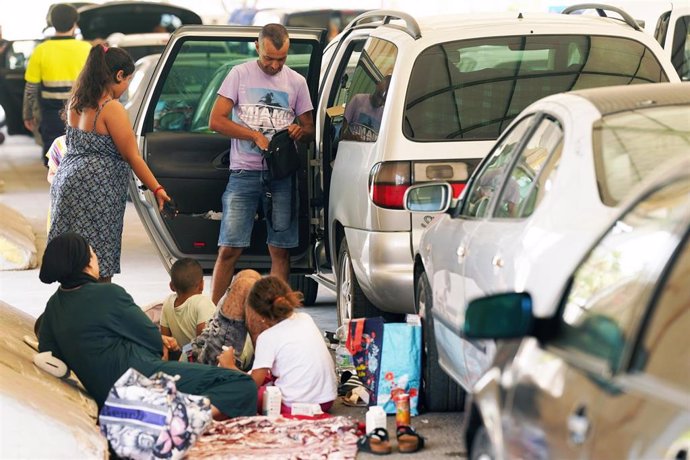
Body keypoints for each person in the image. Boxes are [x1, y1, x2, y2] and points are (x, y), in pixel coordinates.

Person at [37, 232, 257, 420]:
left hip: (109, 393)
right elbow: (152, 340)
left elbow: (52, 353)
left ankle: (180, 412)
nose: (97, 259)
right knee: (241, 384)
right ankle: (184, 417)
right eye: (93, 254)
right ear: (85, 263)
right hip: (144, 376)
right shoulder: (108, 294)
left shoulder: (52, 308)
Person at [208, 23, 315, 304]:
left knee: (280, 250)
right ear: (257, 47)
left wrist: (298, 130)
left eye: (281, 59)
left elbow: (310, 128)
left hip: (281, 176)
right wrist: (253, 135)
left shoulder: (296, 82)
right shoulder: (239, 74)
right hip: (244, 173)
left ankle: (276, 314)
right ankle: (213, 315)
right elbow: (216, 120)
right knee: (229, 247)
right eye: (269, 58)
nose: (274, 65)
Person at [48, 45, 171, 282]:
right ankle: (96, 311)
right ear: (118, 76)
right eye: (128, 80)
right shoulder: (111, 108)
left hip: (68, 182)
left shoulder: (77, 100)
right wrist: (157, 188)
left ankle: (71, 310)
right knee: (99, 261)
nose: (126, 87)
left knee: (72, 257)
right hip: (98, 190)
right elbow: (132, 156)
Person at [219, 276, 337, 415]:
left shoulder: (267, 338)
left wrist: (230, 366)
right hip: (326, 401)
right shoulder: (306, 318)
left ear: (258, 315)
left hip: (294, 407)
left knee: (246, 394)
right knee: (268, 379)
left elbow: (252, 384)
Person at [23, 4, 91, 166]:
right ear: (75, 23)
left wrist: (27, 114)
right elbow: (96, 84)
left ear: (52, 23)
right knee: (79, 157)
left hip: (51, 113)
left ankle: (56, 187)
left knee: (54, 158)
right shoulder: (87, 49)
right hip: (81, 113)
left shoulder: (41, 50)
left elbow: (31, 88)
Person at [191, 269, 262, 368]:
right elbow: (254, 381)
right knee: (245, 285)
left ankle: (264, 354)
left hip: (194, 350)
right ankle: (263, 356)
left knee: (248, 275)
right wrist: (231, 367)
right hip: (211, 366)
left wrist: (182, 350)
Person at [160, 258, 216, 359]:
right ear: (202, 285)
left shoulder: (168, 302)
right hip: (196, 361)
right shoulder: (202, 303)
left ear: (172, 286)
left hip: (180, 357)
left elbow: (166, 340)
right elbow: (203, 344)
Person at [342, 75, 391, 142]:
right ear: (377, 85)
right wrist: (352, 138)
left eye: (384, 100)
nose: (379, 101)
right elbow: (341, 134)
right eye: (379, 95)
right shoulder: (357, 100)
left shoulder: (385, 115)